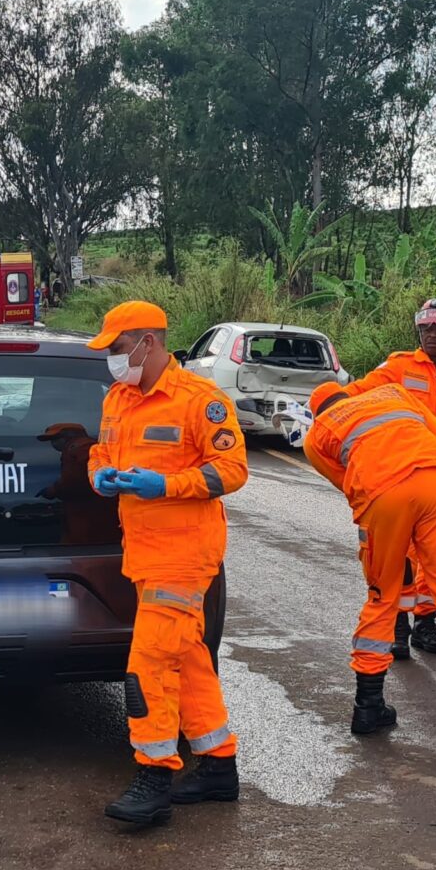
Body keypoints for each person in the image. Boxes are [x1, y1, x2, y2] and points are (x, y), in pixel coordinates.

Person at [86, 300, 249, 826]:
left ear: (147, 342)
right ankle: (218, 766)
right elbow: (101, 452)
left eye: (117, 347)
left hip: (184, 554)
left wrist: (167, 485)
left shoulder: (200, 400)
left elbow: (233, 470)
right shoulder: (118, 398)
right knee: (189, 656)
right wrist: (99, 475)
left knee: (150, 662)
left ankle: (154, 773)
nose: (113, 359)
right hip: (143, 552)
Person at [303, 379, 436, 759]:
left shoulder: (316, 436)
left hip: (380, 497)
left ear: (316, 412)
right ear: (350, 395)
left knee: (381, 598)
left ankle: (368, 706)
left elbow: (347, 483)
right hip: (435, 484)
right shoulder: (394, 395)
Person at [344, 298, 436, 662]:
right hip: (395, 474)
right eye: (426, 328)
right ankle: (396, 624)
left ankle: (425, 623)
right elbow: (355, 397)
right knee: (399, 555)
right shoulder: (398, 367)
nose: (432, 334)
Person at [37, 423, 119, 544]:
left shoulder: (80, 447)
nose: (53, 443)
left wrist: (53, 490)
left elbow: (73, 481)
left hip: (90, 519)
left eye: (56, 438)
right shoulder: (79, 448)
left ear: (69, 436)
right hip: (86, 517)